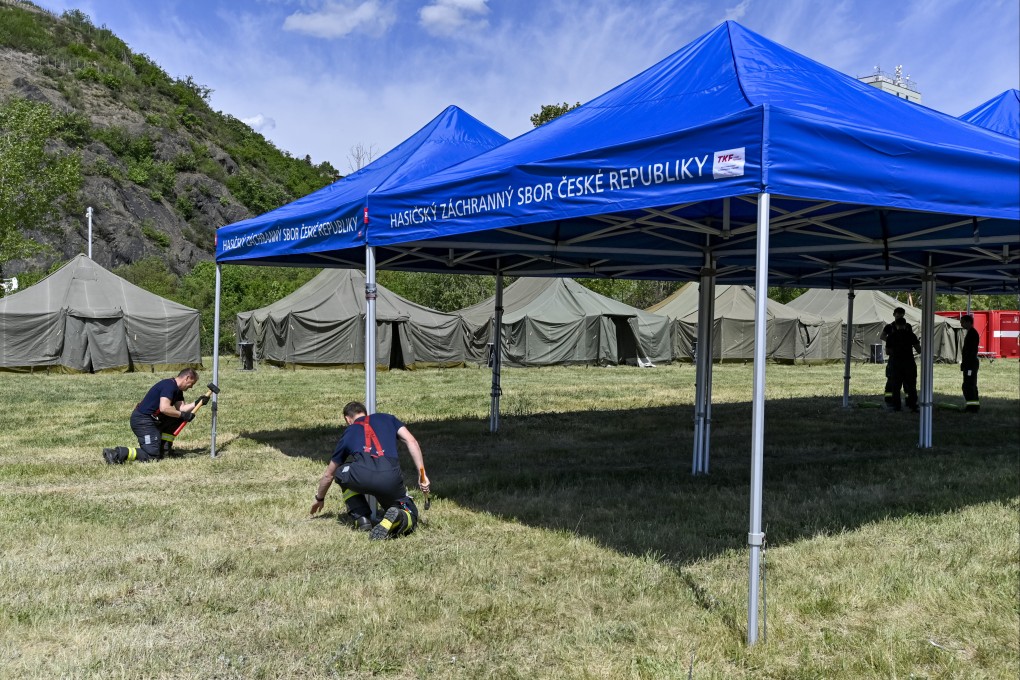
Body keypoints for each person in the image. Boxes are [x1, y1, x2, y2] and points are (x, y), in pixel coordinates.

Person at [310, 401, 430, 540]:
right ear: (365, 413)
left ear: (347, 419)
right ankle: (399, 515)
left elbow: (328, 474)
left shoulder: (349, 431)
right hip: (390, 477)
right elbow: (412, 442)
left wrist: (319, 498)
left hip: (361, 475)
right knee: (411, 513)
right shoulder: (388, 418)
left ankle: (361, 518)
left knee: (341, 473)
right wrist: (422, 474)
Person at [103, 368, 206, 464]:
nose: (191, 387)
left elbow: (181, 408)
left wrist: (197, 403)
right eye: (191, 383)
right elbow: (164, 408)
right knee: (151, 455)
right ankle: (116, 453)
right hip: (143, 421)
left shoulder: (177, 390)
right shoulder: (169, 386)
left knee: (177, 419)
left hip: (153, 420)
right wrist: (182, 415)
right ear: (187, 378)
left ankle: (165, 450)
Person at [880, 306, 921, 412]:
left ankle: (896, 405)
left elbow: (888, 351)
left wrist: (893, 347)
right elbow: (919, 349)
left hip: (896, 362)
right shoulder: (909, 334)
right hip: (908, 362)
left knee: (896, 385)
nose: (899, 316)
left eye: (901, 315)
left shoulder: (892, 336)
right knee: (911, 385)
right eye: (898, 314)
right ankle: (912, 405)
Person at [959, 315, 980, 412]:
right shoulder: (970, 333)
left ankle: (972, 407)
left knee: (969, 385)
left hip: (970, 364)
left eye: (962, 322)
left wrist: (967, 364)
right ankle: (972, 406)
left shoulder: (972, 333)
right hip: (969, 364)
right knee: (968, 385)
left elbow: (970, 351)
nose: (961, 324)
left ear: (968, 322)